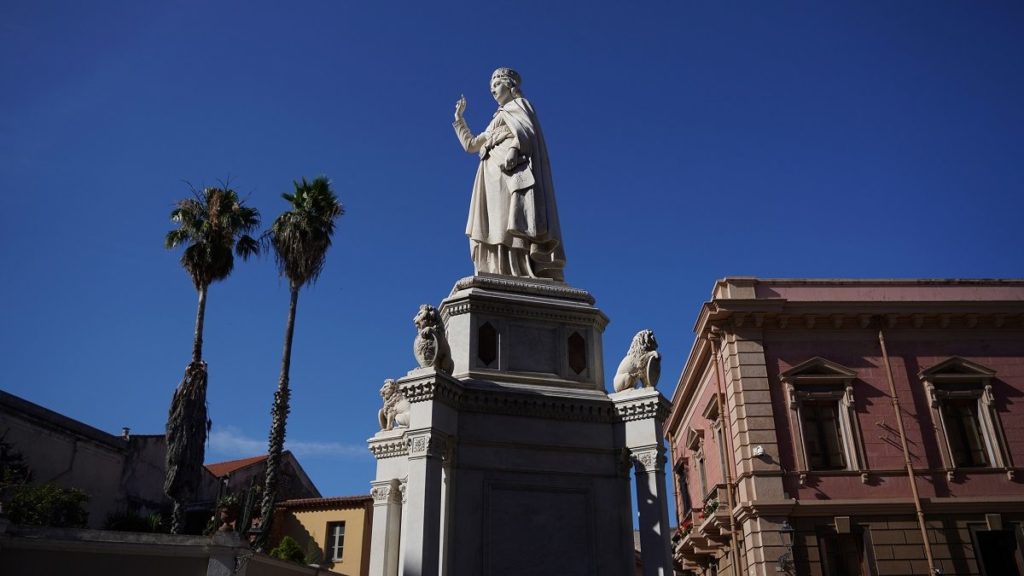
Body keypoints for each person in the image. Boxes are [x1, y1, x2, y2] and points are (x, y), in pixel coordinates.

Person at [453, 67, 566, 281]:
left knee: (511, 218)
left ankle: (520, 267)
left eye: (497, 84)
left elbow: (528, 133)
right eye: (491, 87)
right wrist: (460, 119)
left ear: (510, 85)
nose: (493, 91)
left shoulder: (520, 106)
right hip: (490, 174)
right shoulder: (496, 118)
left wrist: (514, 148)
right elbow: (472, 145)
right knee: (494, 222)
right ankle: (496, 267)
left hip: (510, 171)